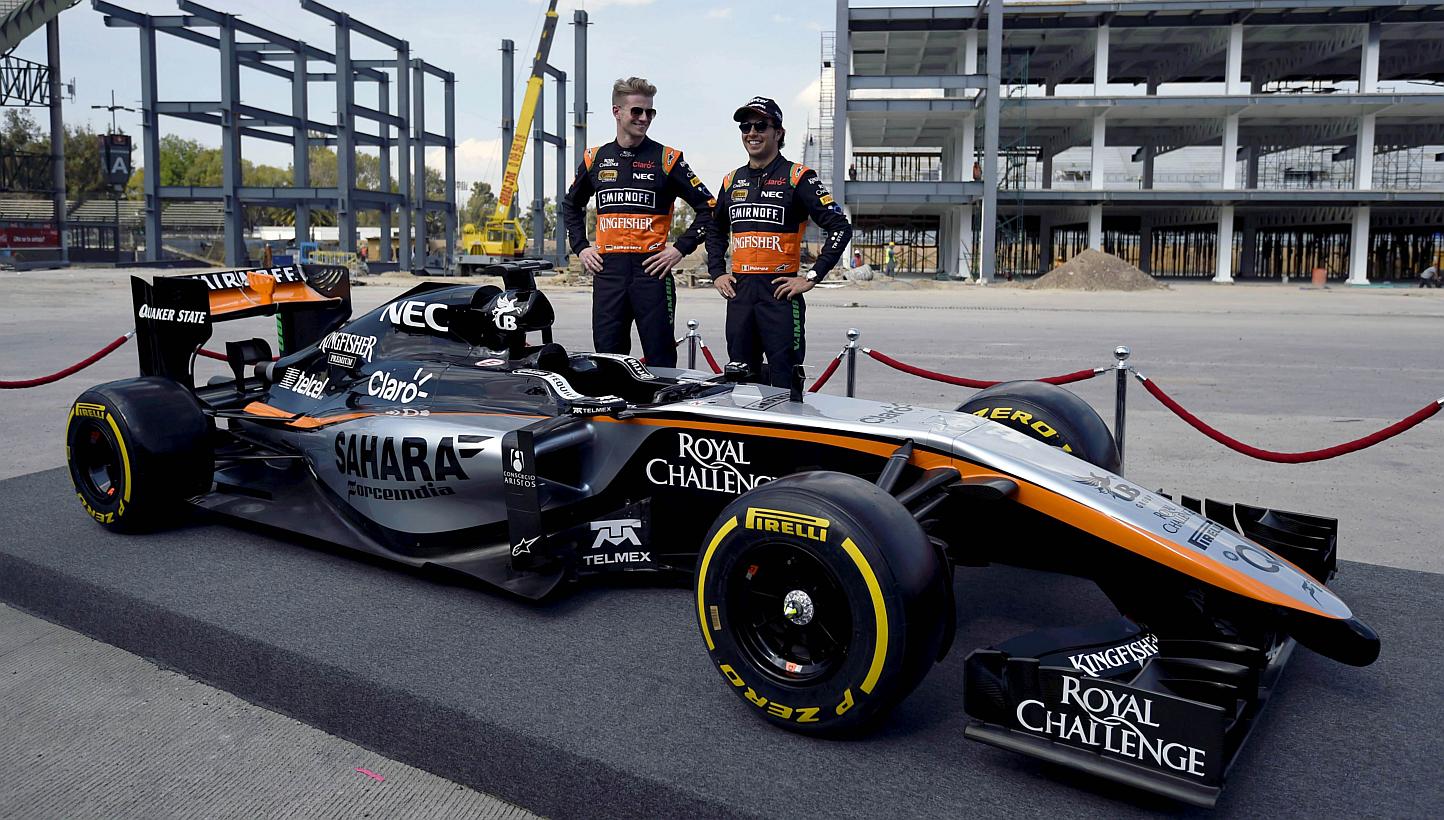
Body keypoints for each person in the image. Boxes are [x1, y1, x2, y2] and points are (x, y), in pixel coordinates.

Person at [561, 77, 715, 367]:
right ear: (616, 112)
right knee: (607, 358)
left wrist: (680, 248)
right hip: (608, 273)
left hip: (652, 273)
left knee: (660, 361)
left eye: (650, 113)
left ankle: (660, 412)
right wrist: (581, 247)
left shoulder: (668, 159)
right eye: (637, 111)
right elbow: (571, 204)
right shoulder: (596, 158)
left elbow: (709, 208)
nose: (644, 118)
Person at [706, 96, 852, 387]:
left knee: (786, 382)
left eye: (761, 125)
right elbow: (714, 229)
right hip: (740, 295)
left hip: (781, 295)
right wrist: (717, 271)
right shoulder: (731, 181)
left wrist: (811, 277)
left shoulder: (799, 177)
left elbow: (840, 227)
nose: (752, 133)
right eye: (745, 127)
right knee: (738, 382)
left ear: (778, 133)